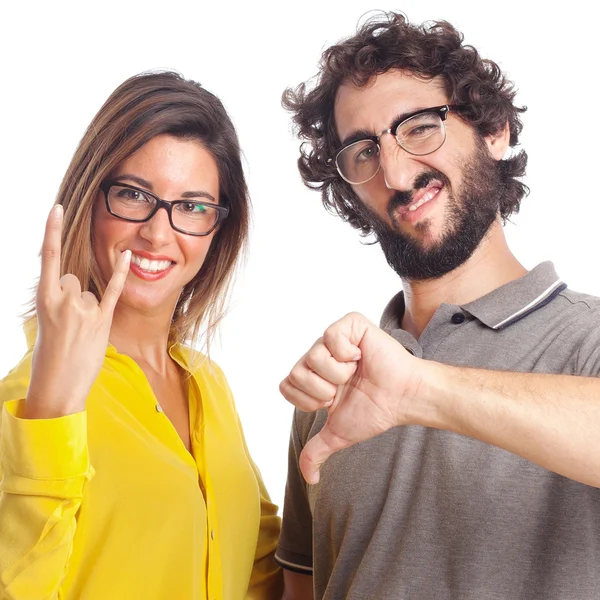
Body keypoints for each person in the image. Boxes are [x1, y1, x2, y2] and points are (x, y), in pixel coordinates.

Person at [275, 12, 600, 600]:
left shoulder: (587, 340)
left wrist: (420, 391)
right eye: (363, 152)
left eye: (420, 127)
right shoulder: (336, 383)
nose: (396, 172)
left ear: (495, 129)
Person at [0, 71, 283, 599]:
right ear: (91, 199)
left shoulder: (209, 385)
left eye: (193, 207)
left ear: (218, 228)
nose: (158, 233)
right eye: (133, 195)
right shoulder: (26, 401)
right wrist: (52, 410)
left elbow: (265, 571)